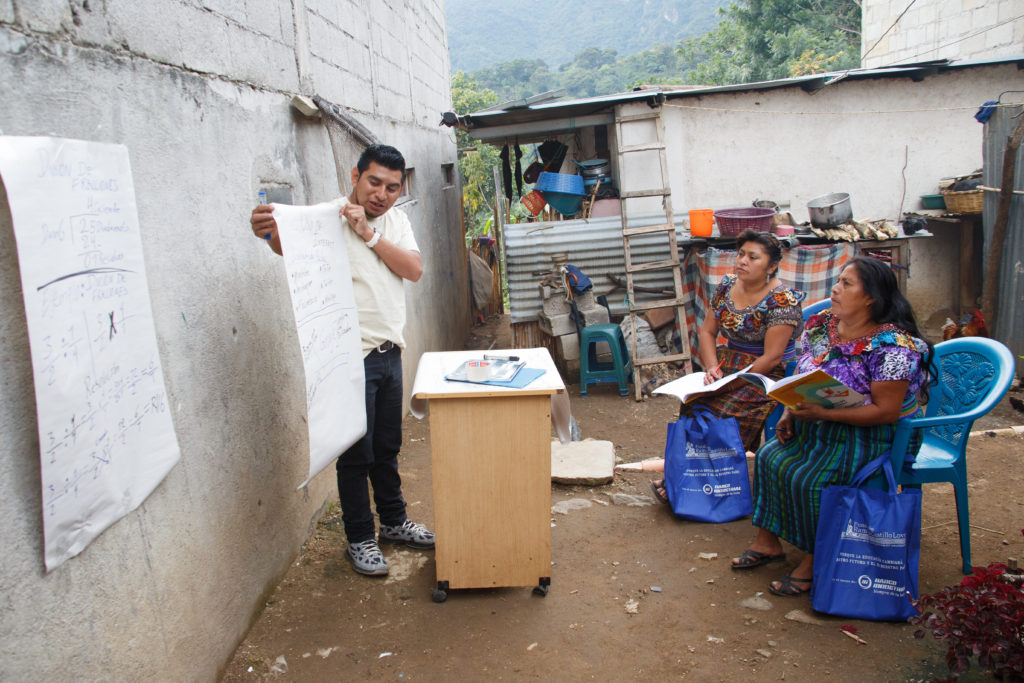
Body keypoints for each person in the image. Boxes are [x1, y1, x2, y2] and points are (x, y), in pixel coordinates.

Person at [249, 144, 434, 577]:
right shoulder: (327, 216)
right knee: (356, 453)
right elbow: (286, 246)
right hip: (347, 358)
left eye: (392, 187)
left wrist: (369, 234)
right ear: (355, 176)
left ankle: (393, 521)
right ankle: (360, 537)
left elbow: (413, 270)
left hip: (390, 351)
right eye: (374, 182)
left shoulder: (395, 221)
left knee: (387, 446)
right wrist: (268, 233)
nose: (381, 194)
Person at [730, 256, 931, 597]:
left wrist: (824, 414)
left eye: (846, 284)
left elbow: (885, 411)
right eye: (838, 281)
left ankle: (816, 560)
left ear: (871, 299)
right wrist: (790, 411)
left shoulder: (893, 347)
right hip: (822, 421)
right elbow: (804, 373)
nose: (835, 289)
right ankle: (768, 543)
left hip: (876, 435)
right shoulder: (824, 325)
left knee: (813, 479)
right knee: (768, 457)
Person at [651, 229, 805, 503]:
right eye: (741, 254)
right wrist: (712, 369)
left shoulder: (782, 301)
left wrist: (730, 384)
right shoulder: (726, 286)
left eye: (753, 257)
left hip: (765, 373)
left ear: (771, 267)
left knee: (723, 412)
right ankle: (686, 478)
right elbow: (707, 332)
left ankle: (713, 484)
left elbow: (772, 357)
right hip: (728, 362)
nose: (742, 261)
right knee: (693, 403)